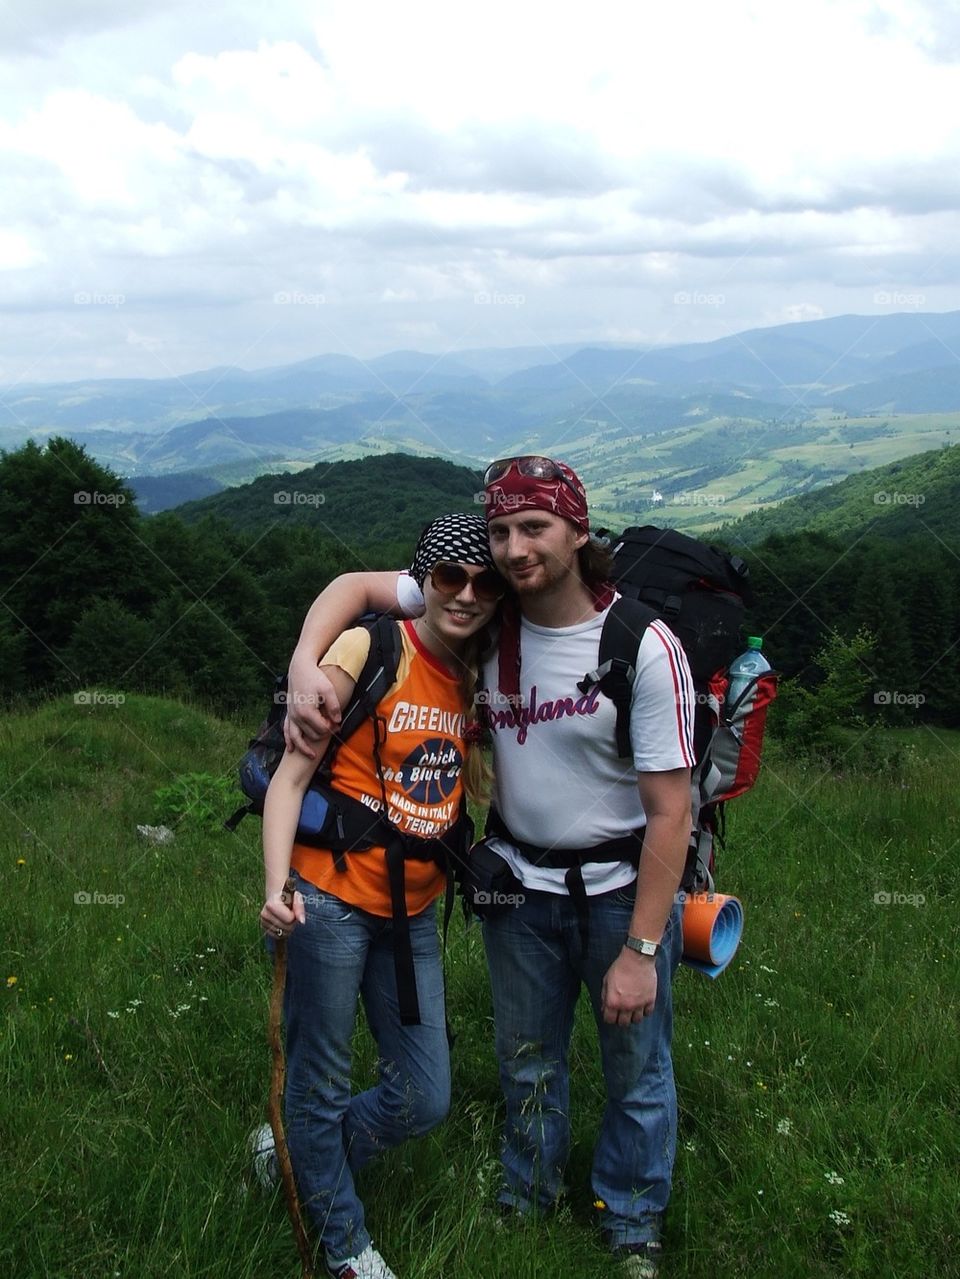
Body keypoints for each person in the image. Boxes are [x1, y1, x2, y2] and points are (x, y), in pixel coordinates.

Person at [285, 460, 695, 1279]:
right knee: (527, 1056)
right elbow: (356, 588)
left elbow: (670, 811)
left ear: (579, 532)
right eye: (501, 530)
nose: (511, 549)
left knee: (637, 1068)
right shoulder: (486, 613)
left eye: (534, 528)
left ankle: (632, 1219)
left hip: (620, 891)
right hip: (516, 886)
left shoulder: (642, 646)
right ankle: (528, 1192)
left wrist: (643, 950)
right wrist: (305, 660)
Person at [259, 512, 504, 1279]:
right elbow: (289, 780)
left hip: (412, 911)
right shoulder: (372, 646)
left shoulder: (478, 668)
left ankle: (296, 1155)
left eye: (483, 583)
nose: (465, 594)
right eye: (448, 579)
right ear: (421, 580)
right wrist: (274, 888)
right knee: (320, 1077)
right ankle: (345, 1248)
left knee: (425, 1094)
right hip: (325, 903)